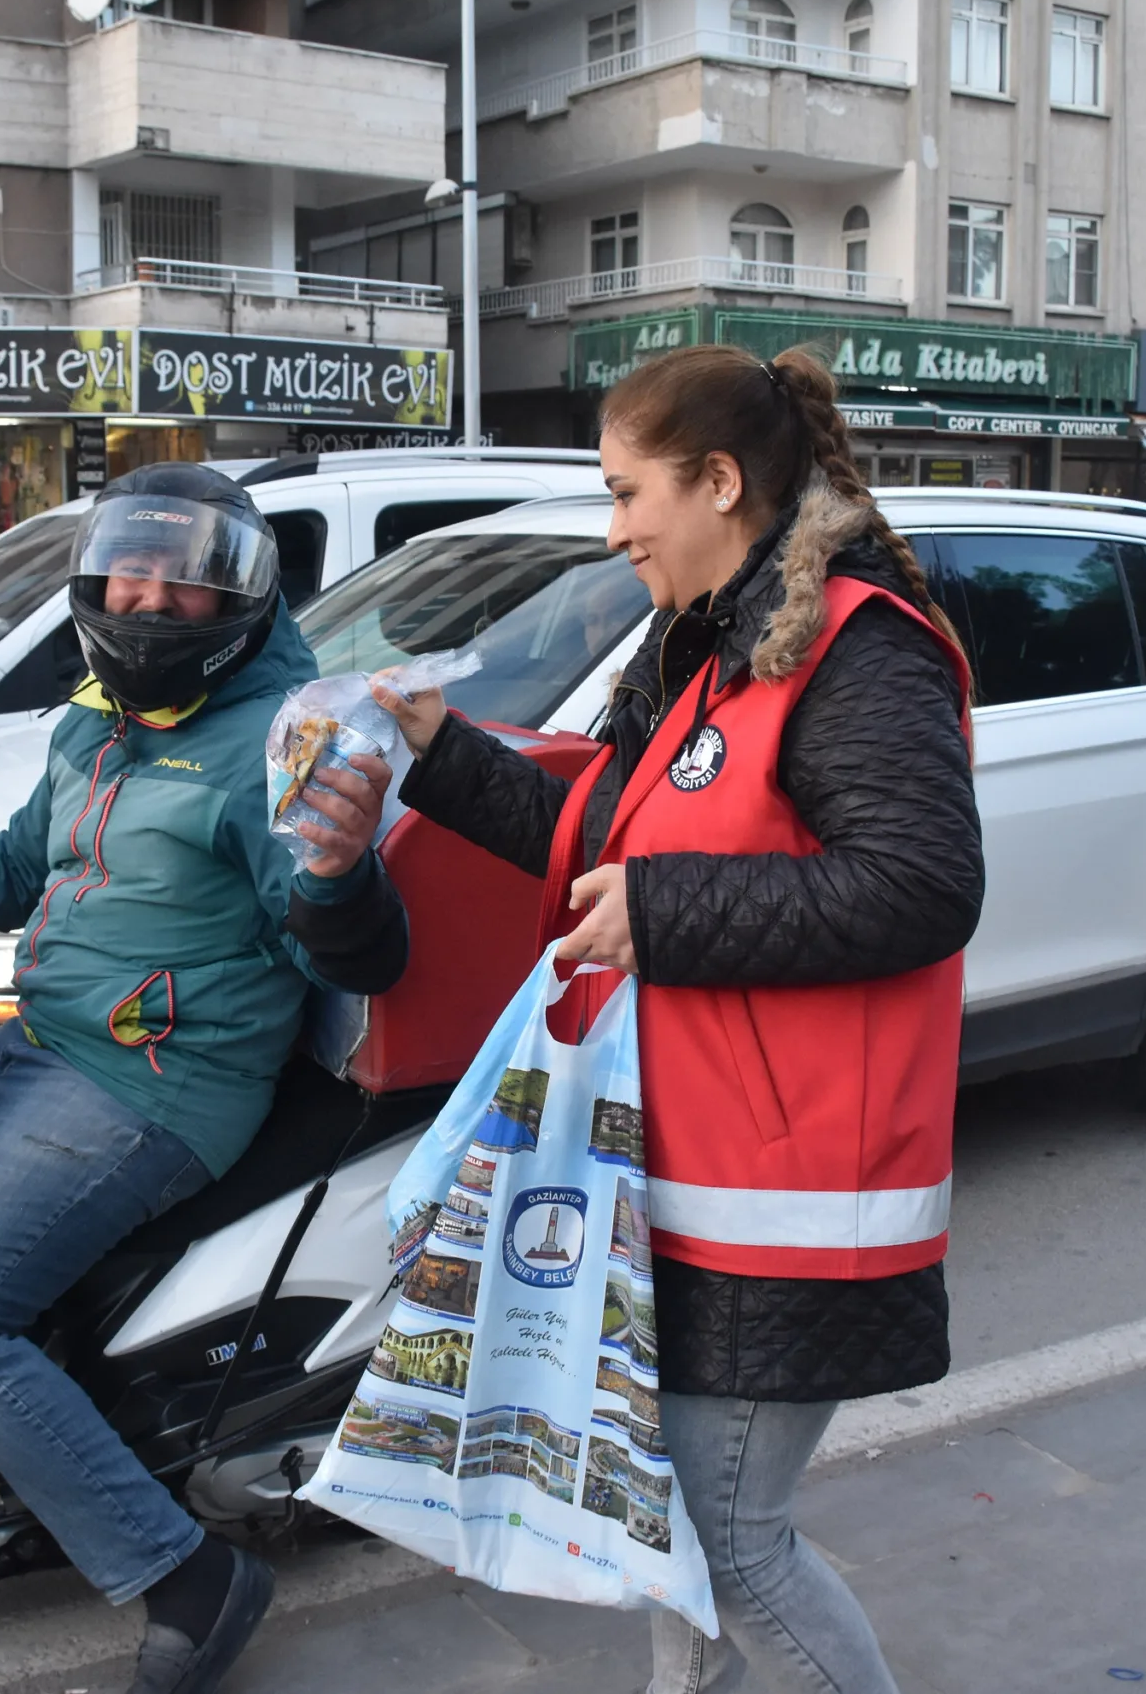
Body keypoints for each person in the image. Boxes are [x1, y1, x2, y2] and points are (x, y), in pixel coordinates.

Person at [372, 345, 982, 1694]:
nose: (615, 528)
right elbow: (600, 838)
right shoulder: (702, 649)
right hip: (685, 1178)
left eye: (628, 490)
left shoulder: (853, 645)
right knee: (672, 1526)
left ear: (719, 482)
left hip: (792, 1195)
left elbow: (923, 884)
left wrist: (665, 907)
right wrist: (432, 746)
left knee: (728, 1533)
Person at [0, 463, 409, 1694]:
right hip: (36, 1046)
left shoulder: (280, 743)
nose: (149, 600)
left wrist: (342, 873)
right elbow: (16, 864)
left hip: (154, 1088)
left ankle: (188, 1579)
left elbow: (349, 942)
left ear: (240, 599)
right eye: (129, 573)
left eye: (184, 583)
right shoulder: (99, 720)